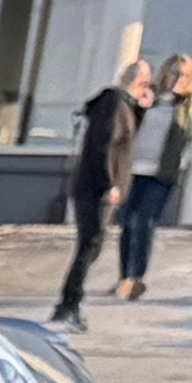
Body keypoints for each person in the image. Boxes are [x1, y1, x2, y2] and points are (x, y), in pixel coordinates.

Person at [52, 65, 135, 325]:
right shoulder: (114, 105)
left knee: (91, 245)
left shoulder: (119, 105)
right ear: (137, 82)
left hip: (92, 185)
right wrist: (110, 183)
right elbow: (105, 146)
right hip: (96, 187)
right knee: (90, 245)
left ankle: (69, 302)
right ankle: (68, 303)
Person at [116, 53, 192, 301]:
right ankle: (124, 277)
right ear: (165, 73)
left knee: (145, 220)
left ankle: (138, 276)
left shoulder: (188, 104)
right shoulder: (149, 99)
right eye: (175, 72)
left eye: (185, 75)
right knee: (126, 221)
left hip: (162, 172)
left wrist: (181, 162)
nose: (179, 78)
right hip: (134, 169)